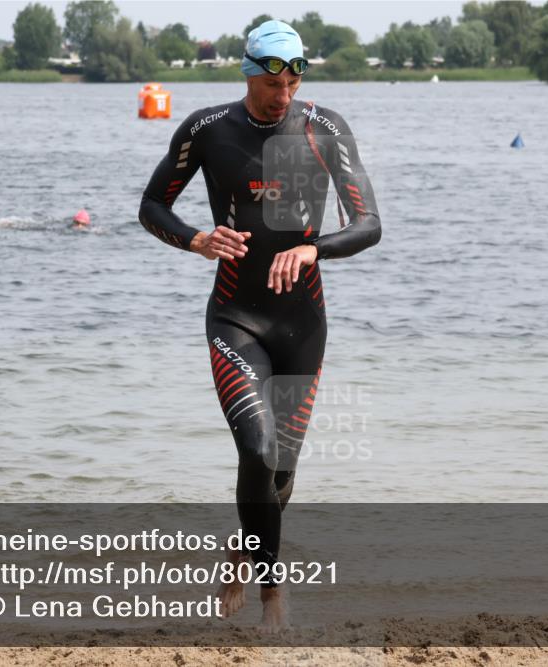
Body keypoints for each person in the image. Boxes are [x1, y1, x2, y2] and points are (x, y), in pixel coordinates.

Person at [138, 20, 380, 631]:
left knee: (281, 475)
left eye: (296, 76)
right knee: (257, 445)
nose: (286, 90)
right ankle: (274, 594)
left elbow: (369, 221)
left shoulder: (324, 129)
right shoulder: (208, 129)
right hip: (235, 317)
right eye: (276, 78)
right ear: (250, 72)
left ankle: (244, 553)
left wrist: (314, 249)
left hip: (302, 323)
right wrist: (195, 239)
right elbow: (151, 205)